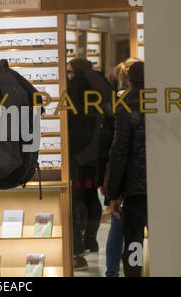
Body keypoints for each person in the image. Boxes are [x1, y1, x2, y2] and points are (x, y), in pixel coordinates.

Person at [105, 62, 147, 277]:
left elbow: (119, 152)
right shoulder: (164, 101)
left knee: (134, 242)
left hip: (135, 189)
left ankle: (134, 273)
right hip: (164, 185)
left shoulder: (126, 105)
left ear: (129, 80)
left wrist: (114, 193)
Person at [67, 57, 108, 270]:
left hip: (79, 154)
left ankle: (78, 247)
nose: (68, 76)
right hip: (96, 153)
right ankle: (91, 239)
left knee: (77, 199)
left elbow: (74, 122)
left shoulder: (77, 89)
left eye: (70, 72)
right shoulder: (99, 85)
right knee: (92, 196)